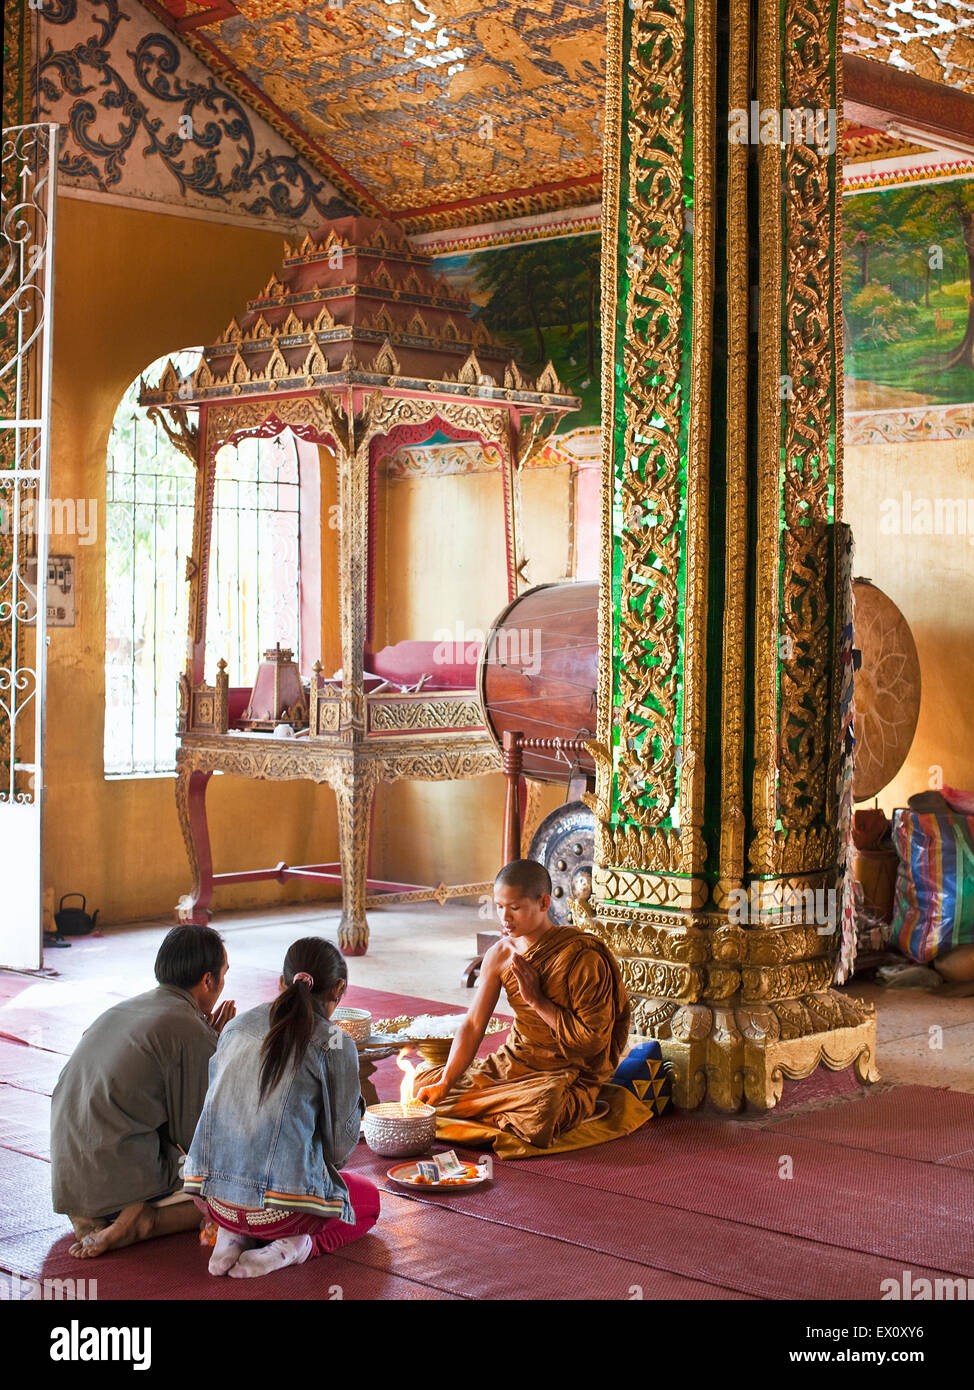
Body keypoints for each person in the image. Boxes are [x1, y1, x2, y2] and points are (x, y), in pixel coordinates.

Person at [183, 937, 379, 1278]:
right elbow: (337, 1153)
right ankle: (297, 1246)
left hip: (217, 1202)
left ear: (281, 982)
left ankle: (234, 1238)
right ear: (339, 990)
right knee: (367, 1201)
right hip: (282, 1213)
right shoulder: (335, 1042)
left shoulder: (236, 1026)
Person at [415, 859, 631, 1149]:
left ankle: (494, 1109)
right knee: (421, 1083)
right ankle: (499, 1111)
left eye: (514, 908)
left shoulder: (582, 957)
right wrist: (445, 1082)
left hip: (563, 1072)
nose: (505, 917)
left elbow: (592, 1043)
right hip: (513, 1065)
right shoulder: (500, 954)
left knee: (543, 1109)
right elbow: (474, 1024)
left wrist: (538, 1001)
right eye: (499, 906)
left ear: (543, 903)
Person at [51, 924, 235, 1259]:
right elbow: (196, 1137)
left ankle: (91, 1214)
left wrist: (206, 1046)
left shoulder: (125, 1009)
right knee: (239, 1181)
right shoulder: (189, 1029)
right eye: (223, 975)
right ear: (209, 980)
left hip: (70, 1182)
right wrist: (215, 1052)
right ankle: (146, 1220)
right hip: (118, 1181)